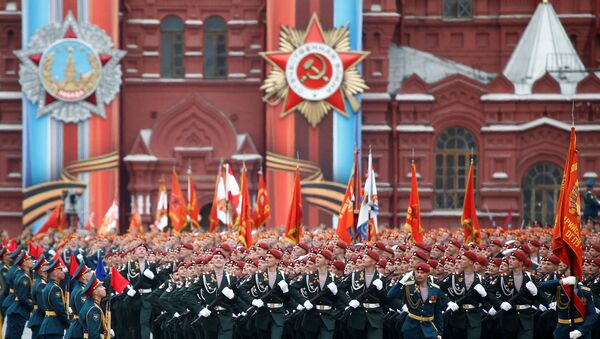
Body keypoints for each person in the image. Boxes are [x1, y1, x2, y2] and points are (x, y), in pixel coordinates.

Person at [290, 248, 341, 339]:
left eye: (320, 257)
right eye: (317, 257)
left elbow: (337, 300)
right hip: (311, 316)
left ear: (327, 261)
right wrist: (304, 301)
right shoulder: (308, 277)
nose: (317, 259)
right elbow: (292, 289)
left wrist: (335, 293)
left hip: (327, 316)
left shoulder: (334, 279)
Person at [240, 247, 289, 339]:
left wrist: (286, 291)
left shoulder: (284, 276)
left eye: (270, 257)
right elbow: (241, 289)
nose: (267, 259)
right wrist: (253, 301)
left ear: (277, 261)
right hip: (262, 313)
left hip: (278, 313)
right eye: (267, 257)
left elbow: (288, 298)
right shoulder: (258, 275)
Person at [339, 249, 387, 339]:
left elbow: (384, 301)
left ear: (373, 261)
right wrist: (349, 302)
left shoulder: (381, 278)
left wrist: (380, 289)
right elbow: (340, 290)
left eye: (366, 257)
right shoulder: (354, 275)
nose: (363, 259)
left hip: (374, 316)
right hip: (357, 315)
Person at [540, 274, 598, 339]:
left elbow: (592, 314)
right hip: (562, 329)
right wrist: (560, 281)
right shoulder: (559, 289)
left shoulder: (585, 291)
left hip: (580, 328)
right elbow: (542, 286)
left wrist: (581, 330)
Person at [397, 263, 444, 339]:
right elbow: (390, 296)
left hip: (428, 328)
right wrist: (401, 282)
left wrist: (440, 332)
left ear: (428, 274)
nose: (419, 275)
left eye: (422, 273)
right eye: (417, 272)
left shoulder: (435, 289)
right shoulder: (408, 286)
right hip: (411, 327)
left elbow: (438, 311)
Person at [5, 251, 33, 339]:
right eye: (29, 259)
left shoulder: (22, 274)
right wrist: (32, 306)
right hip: (18, 311)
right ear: (24, 263)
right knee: (15, 335)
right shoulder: (24, 278)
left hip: (17, 310)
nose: (31, 261)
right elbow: (22, 297)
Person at [39, 259, 70, 339]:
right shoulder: (55, 288)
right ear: (55, 272)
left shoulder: (49, 286)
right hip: (54, 326)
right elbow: (59, 309)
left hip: (50, 325)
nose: (63, 272)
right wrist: (67, 324)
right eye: (61, 270)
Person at [80, 274, 109, 339]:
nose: (104, 288)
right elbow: (93, 334)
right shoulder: (94, 309)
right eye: (101, 286)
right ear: (95, 292)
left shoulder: (89, 304)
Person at [28, 255, 49, 339]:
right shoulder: (41, 285)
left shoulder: (40, 282)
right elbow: (42, 305)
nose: (48, 267)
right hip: (39, 319)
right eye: (46, 265)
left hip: (39, 318)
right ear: (41, 269)